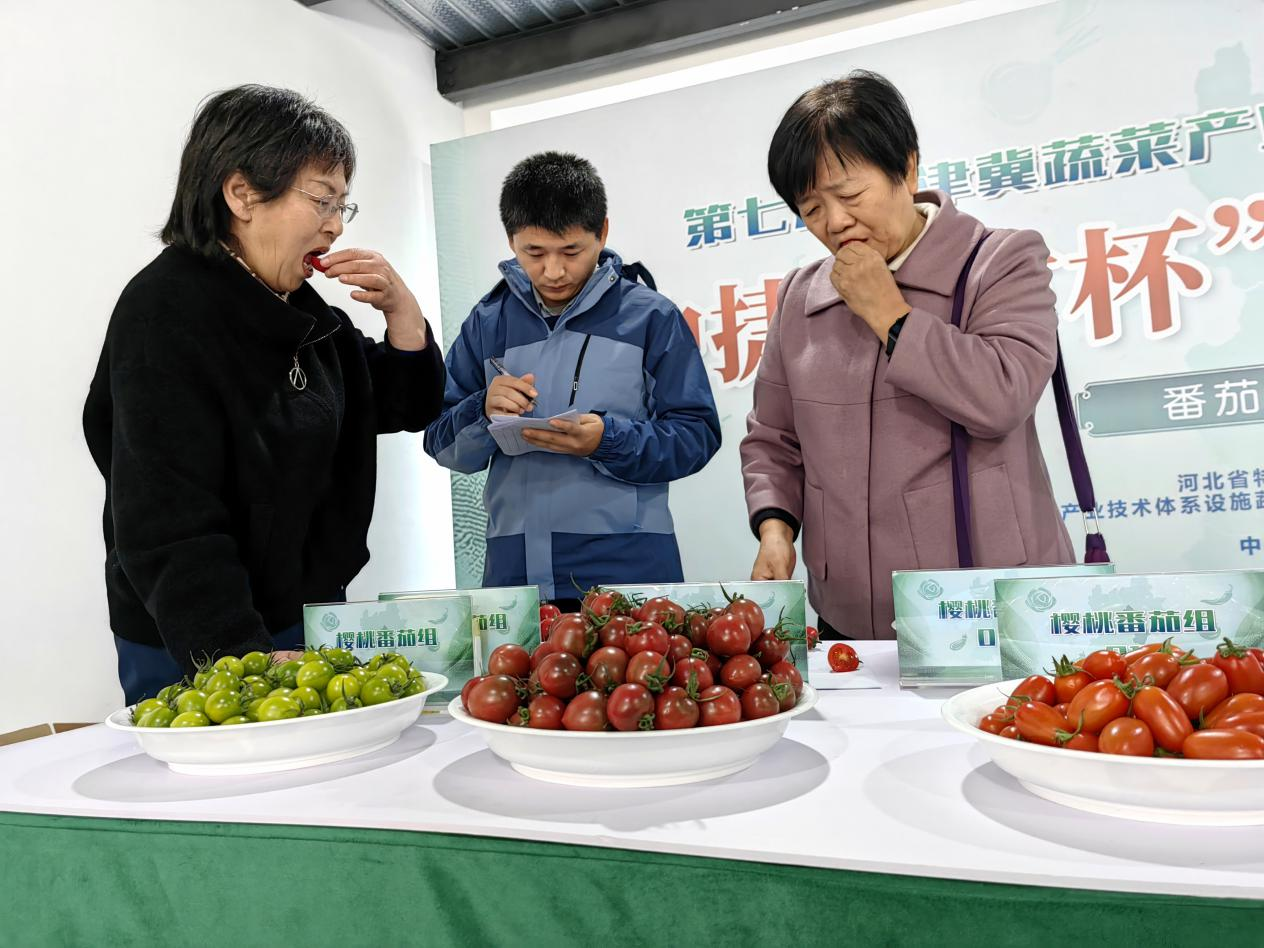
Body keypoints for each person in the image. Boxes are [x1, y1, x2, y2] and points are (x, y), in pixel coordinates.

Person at [83, 85, 446, 702]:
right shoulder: (164, 312)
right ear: (242, 194)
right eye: (322, 200)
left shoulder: (297, 306)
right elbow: (165, 518)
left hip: (301, 617)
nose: (335, 224)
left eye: (343, 205)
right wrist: (241, 658)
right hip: (198, 632)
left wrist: (403, 316)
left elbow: (396, 405)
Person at [741, 71, 1073, 640]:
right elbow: (774, 438)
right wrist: (776, 529)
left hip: (984, 610)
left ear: (908, 167)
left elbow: (1001, 395)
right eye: (812, 208)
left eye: (849, 195)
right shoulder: (801, 295)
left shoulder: (1000, 262)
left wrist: (889, 314)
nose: (836, 221)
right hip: (847, 617)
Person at [424, 152, 720, 607]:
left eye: (571, 252)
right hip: (514, 577)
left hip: (627, 572)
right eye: (534, 253)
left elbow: (697, 435)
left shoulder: (651, 317)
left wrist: (608, 439)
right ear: (511, 240)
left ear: (602, 232)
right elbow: (441, 444)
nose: (554, 271)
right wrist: (482, 409)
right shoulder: (487, 323)